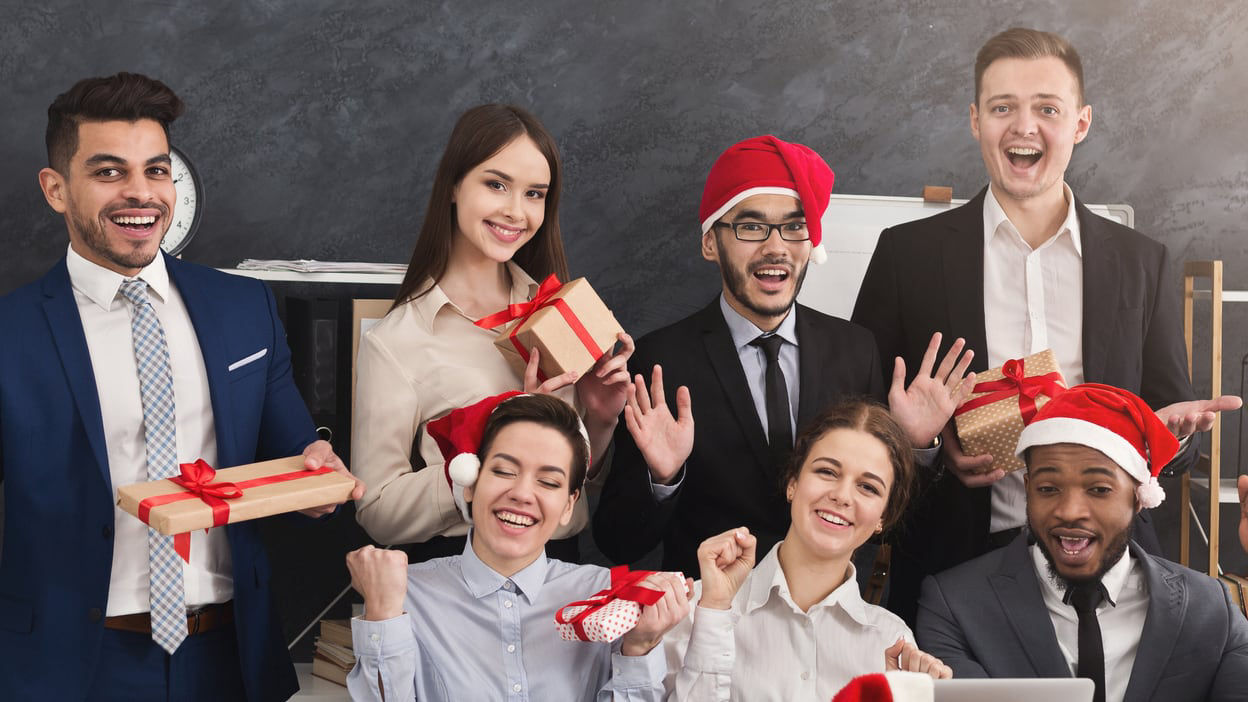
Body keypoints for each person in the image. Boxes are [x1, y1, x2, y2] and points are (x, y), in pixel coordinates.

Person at [851, 26, 1241, 624]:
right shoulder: (907, 256)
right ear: (975, 120)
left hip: (1112, 566)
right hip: (950, 567)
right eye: (1003, 107)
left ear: (1080, 123)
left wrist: (1166, 437)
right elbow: (858, 423)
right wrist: (925, 447)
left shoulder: (1140, 261)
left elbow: (1168, 422)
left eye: (1047, 108)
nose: (1023, 126)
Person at [0, 72, 363, 701]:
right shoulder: (10, 332)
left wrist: (316, 477)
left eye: (157, 170)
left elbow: (297, 457)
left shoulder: (245, 308)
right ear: (56, 189)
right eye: (109, 172)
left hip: (230, 656)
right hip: (67, 665)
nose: (140, 194)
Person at [593, 135, 975, 577]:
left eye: (794, 227)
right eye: (751, 227)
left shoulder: (855, 350)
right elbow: (616, 541)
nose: (776, 247)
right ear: (711, 244)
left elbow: (890, 526)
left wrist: (915, 449)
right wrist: (663, 478)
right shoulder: (661, 361)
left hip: (825, 620)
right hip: (712, 616)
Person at [351, 103, 632, 559]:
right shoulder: (398, 341)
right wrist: (479, 462)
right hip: (456, 578)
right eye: (496, 184)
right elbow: (377, 510)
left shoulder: (563, 312)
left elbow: (580, 495)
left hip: (561, 572)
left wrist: (599, 421)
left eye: (535, 193)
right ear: (454, 186)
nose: (515, 211)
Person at [345, 393, 688, 701]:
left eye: (548, 482)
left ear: (569, 504)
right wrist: (383, 617)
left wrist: (640, 648)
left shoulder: (605, 598)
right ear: (469, 483)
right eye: (505, 471)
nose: (523, 494)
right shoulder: (405, 595)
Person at [916, 383, 1248, 702]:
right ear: (1028, 489)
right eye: (1048, 488)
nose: (1069, 512)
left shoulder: (1210, 609)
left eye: (1099, 489)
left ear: (1138, 496)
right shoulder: (954, 605)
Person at [663, 399, 952, 700]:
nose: (841, 496)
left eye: (868, 487)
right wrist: (714, 615)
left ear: (883, 518)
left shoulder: (893, 640)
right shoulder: (699, 607)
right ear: (793, 483)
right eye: (827, 471)